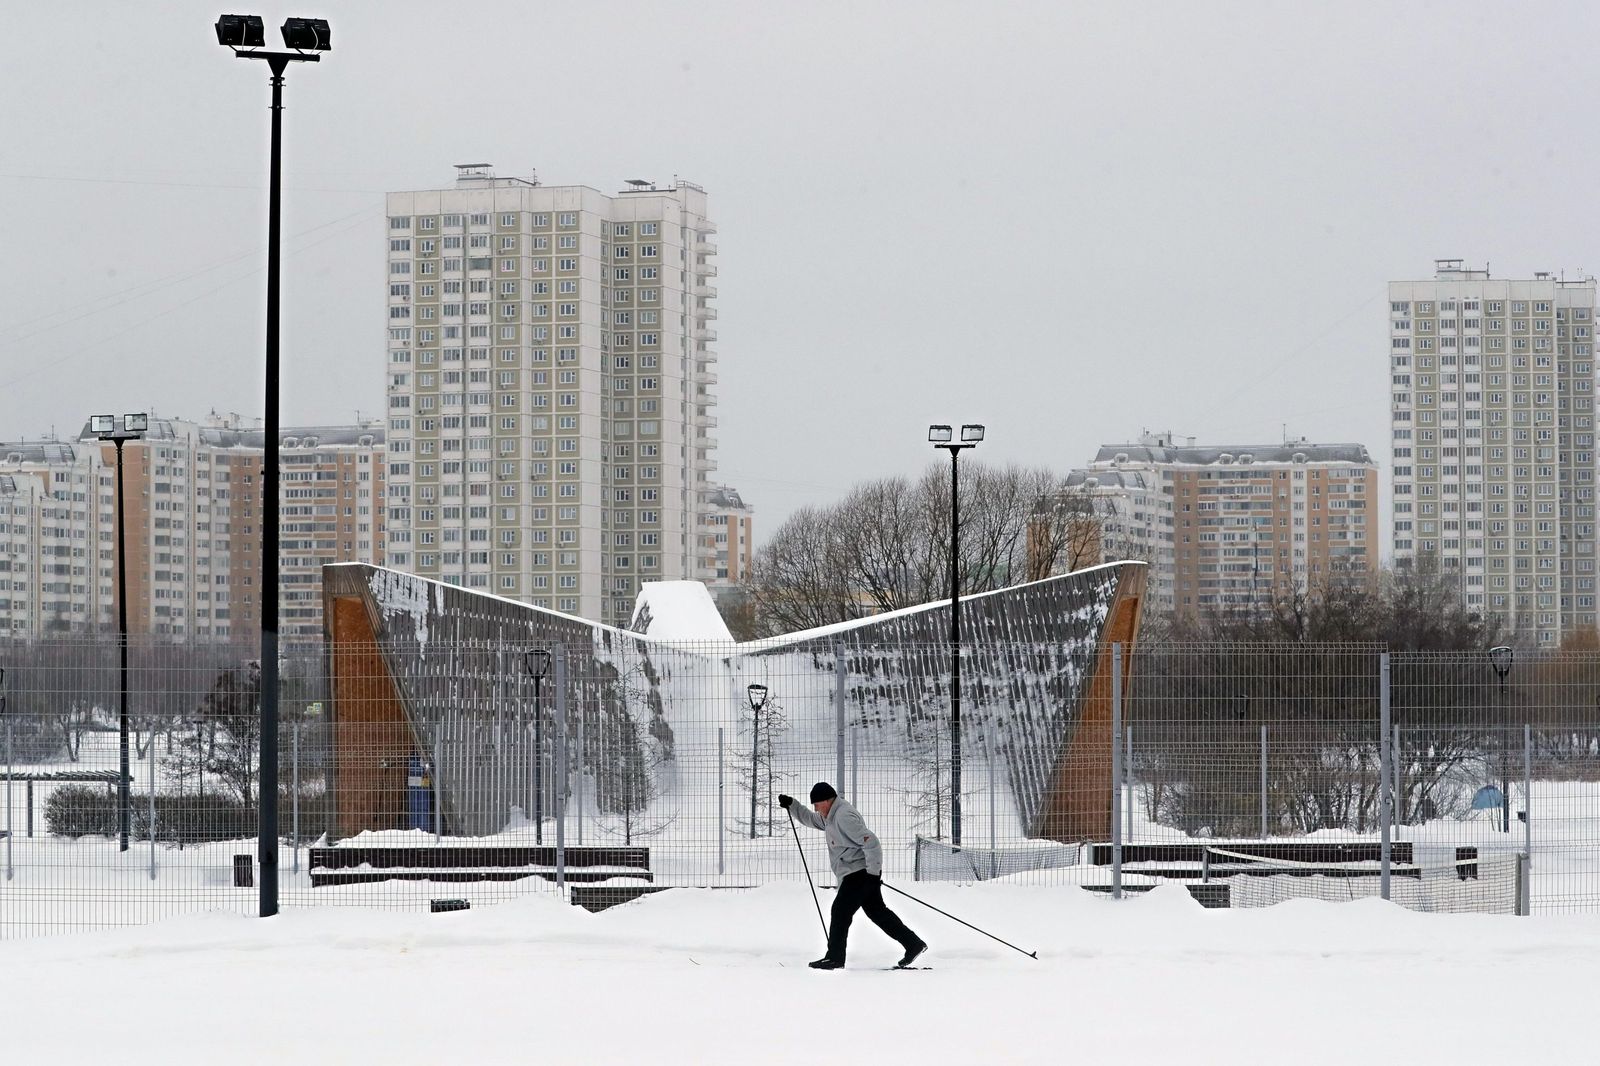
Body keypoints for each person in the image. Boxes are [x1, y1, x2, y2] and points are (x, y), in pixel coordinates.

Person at [779, 782, 926, 970]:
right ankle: (913, 944)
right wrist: (792, 805)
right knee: (878, 912)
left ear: (826, 801)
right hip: (858, 872)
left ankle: (835, 957)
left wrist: (873, 875)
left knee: (840, 911)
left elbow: (872, 843)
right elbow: (810, 818)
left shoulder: (843, 816)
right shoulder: (829, 816)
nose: (816, 809)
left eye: (817, 804)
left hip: (859, 873)